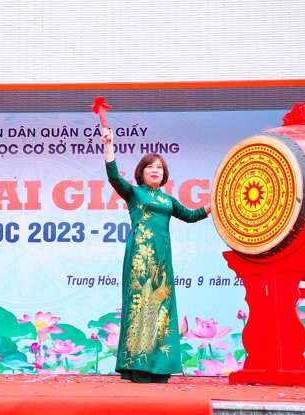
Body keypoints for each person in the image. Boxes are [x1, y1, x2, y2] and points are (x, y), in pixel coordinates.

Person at [102, 128, 210, 383]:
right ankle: (137, 367)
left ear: (164, 174)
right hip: (140, 259)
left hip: (162, 262)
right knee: (141, 307)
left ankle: (158, 368)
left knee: (161, 310)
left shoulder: (168, 200)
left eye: (159, 168)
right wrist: (109, 145)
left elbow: (192, 215)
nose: (155, 170)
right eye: (150, 167)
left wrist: (214, 204)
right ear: (141, 172)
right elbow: (114, 177)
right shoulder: (134, 193)